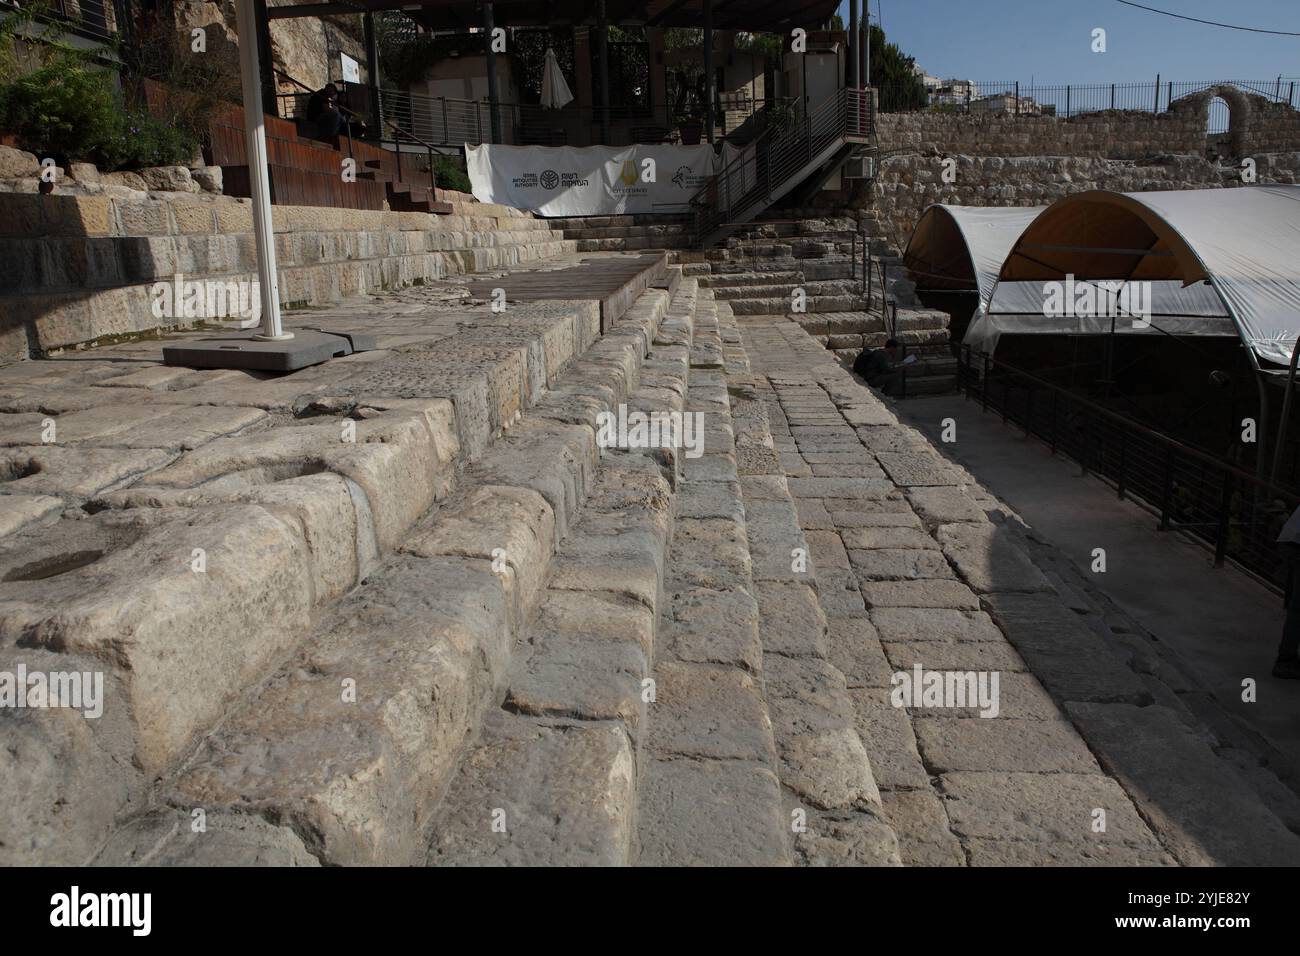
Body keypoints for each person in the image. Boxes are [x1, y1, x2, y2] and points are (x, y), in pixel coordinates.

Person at [1275, 505, 1300, 679]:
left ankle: (1287, 659)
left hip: (1291, 540)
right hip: (1297, 544)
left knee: (1297, 608)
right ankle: (1285, 661)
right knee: (1298, 609)